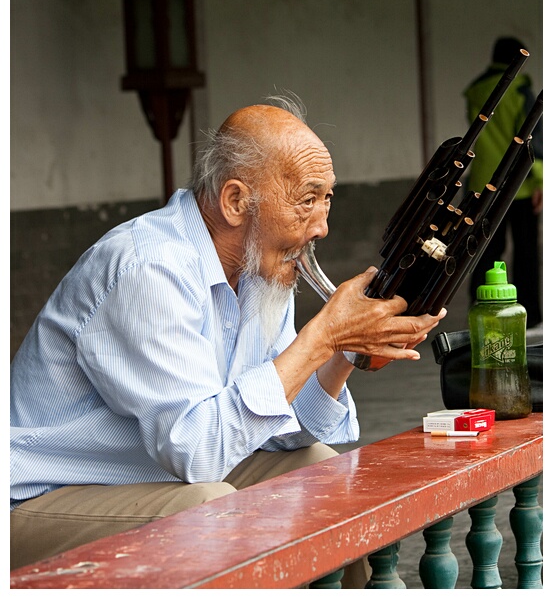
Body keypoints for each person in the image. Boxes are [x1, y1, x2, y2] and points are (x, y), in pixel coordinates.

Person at [11, 96, 446, 581]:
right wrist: (322, 336)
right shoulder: (148, 268)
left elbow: (280, 433)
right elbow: (200, 453)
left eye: (328, 199)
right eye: (306, 199)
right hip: (38, 498)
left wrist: (345, 351)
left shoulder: (261, 270)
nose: (321, 226)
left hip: (156, 475)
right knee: (209, 505)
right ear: (236, 201)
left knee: (320, 471)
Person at [464, 37, 543, 326]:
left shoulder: (477, 90)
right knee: (525, 252)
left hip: (482, 185)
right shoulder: (519, 90)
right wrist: (541, 182)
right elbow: (532, 139)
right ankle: (530, 313)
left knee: (484, 250)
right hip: (517, 186)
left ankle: (481, 307)